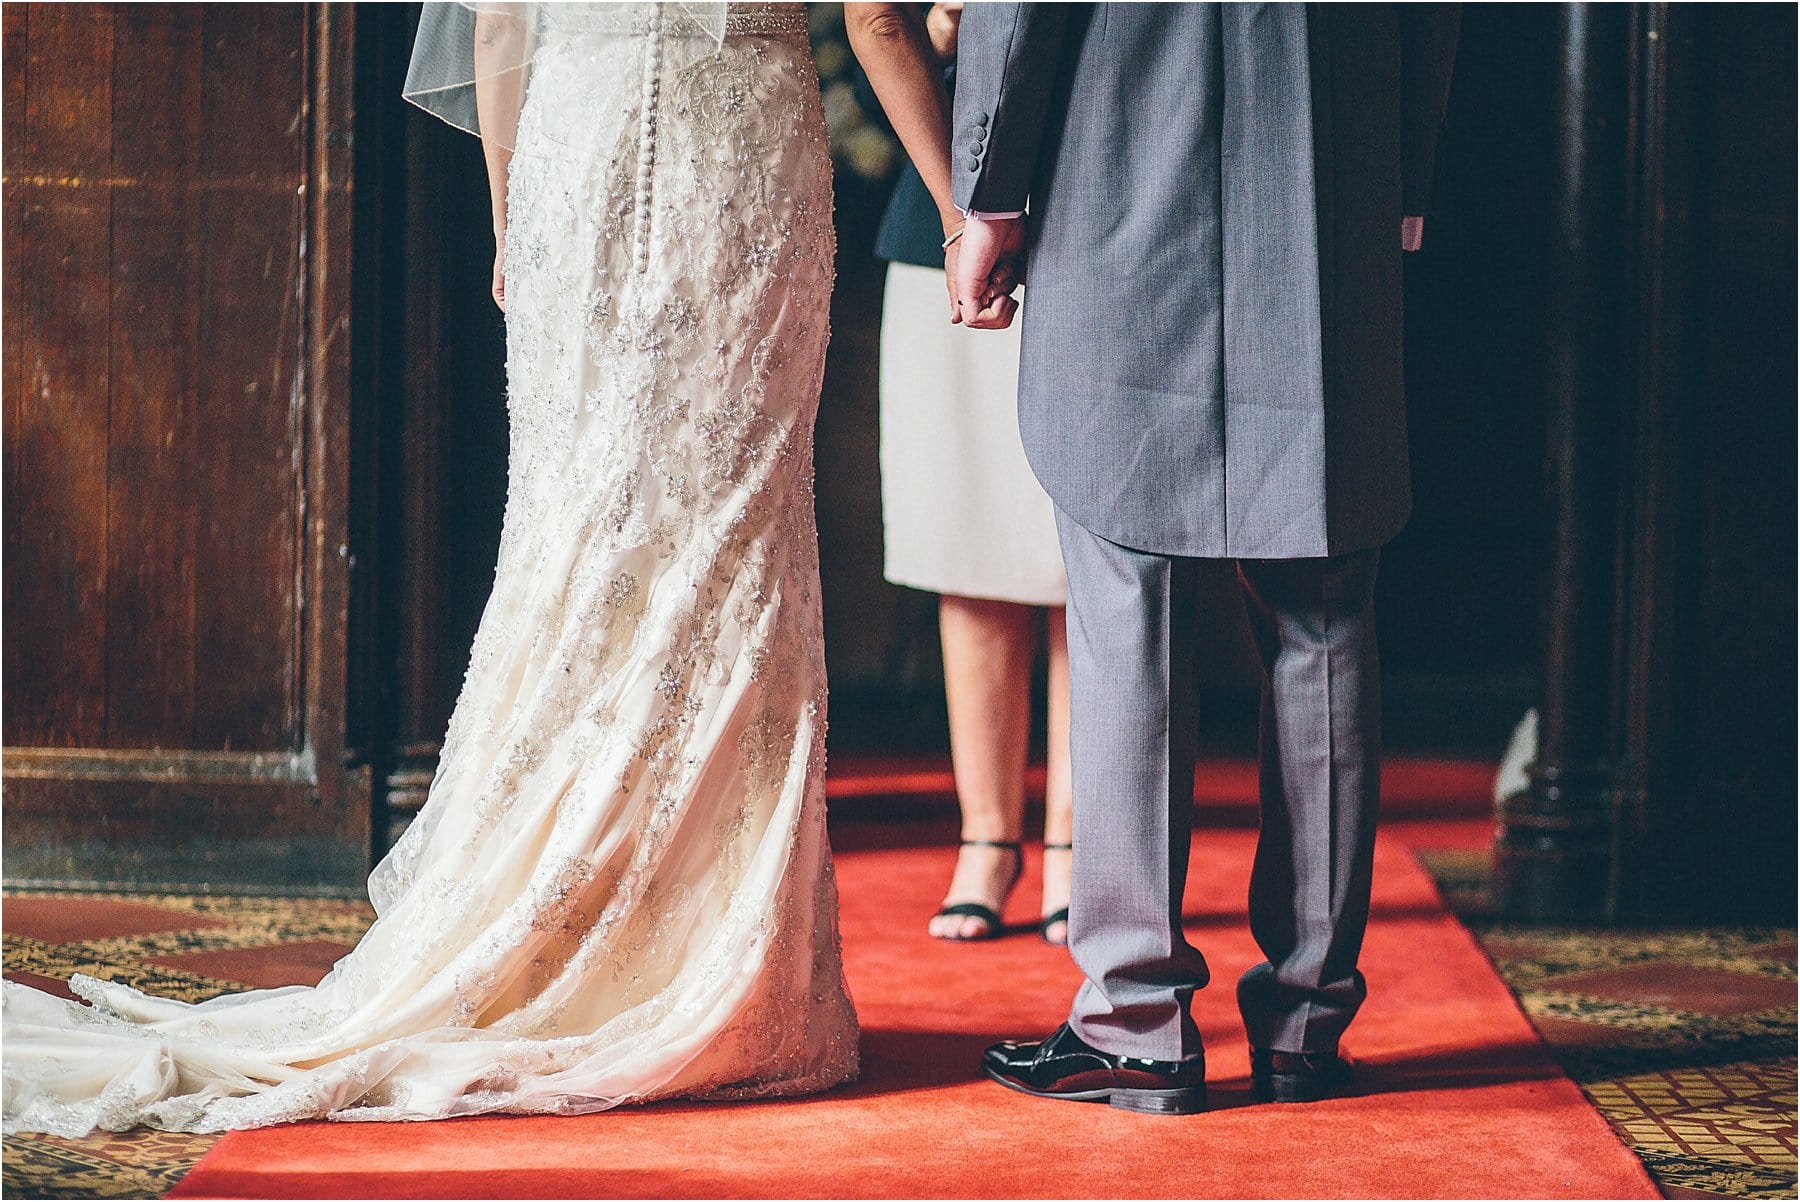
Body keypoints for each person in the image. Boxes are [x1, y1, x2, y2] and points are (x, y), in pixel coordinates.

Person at [2, 2, 864, 1135]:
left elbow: (502, 15)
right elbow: (880, 18)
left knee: (590, 528)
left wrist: (516, 213)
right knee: (727, 529)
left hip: (580, 142)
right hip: (738, 139)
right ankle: (708, 955)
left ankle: (608, 926)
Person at [948, 4, 1460, 1114]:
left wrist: (988, 191)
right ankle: (1308, 1018)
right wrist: (1402, 173)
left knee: (1131, 601)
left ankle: (1135, 1020)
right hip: (1327, 178)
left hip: (1120, 163)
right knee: (1325, 615)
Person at [855, 2, 1074, 946]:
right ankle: (987, 839)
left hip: (1096, 202)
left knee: (1090, 559)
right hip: (945, 205)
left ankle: (1079, 847)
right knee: (973, 535)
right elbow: (881, 22)